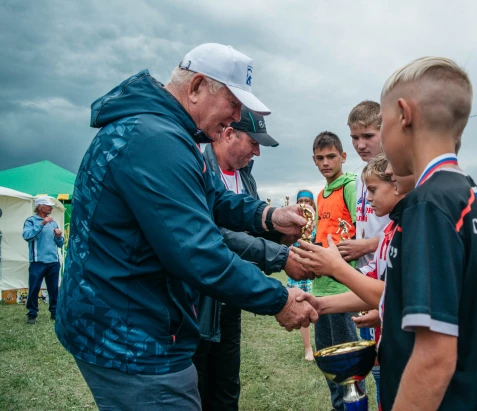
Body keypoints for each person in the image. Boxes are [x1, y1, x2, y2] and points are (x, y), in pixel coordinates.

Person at [55, 43, 317, 410]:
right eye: (233, 102)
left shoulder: (163, 133)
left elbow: (212, 198)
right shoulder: (154, 140)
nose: (237, 114)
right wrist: (278, 298)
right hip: (132, 338)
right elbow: (198, 252)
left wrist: (268, 217)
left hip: (126, 320)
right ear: (195, 87)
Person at [377, 57, 477, 410]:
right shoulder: (465, 189)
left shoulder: (429, 204)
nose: (380, 137)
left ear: (404, 114)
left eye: (381, 122)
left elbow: (434, 360)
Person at [194, 106, 311, 410]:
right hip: (197, 302)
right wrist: (280, 256)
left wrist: (280, 234)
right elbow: (215, 235)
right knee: (196, 387)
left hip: (231, 297)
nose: (257, 152)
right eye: (254, 142)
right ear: (229, 134)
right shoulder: (198, 167)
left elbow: (249, 226)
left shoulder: (246, 179)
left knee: (227, 386)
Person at [338, 101, 390, 405]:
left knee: (387, 366)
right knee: (373, 361)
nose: (360, 144)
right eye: (354, 137)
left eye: (368, 136)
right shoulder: (361, 177)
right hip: (367, 279)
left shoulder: (397, 175)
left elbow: (404, 229)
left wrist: (365, 246)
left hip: (390, 282)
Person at [311, 131, 360, 411]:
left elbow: (362, 231)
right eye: (320, 158)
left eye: (331, 156)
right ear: (314, 161)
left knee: (349, 363)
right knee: (327, 359)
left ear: (343, 156)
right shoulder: (321, 195)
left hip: (344, 288)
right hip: (321, 288)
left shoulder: (350, 186)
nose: (326, 162)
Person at [22, 196, 64, 324]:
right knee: (34, 288)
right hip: (37, 262)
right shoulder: (30, 221)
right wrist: (42, 223)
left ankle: (55, 312)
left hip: (53, 261)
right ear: (40, 206)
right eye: (48, 205)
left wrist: (59, 236)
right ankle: (32, 314)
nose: (51, 207)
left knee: (53, 289)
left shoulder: (54, 222)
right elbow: (27, 236)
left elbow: (60, 244)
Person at [287, 189, 317, 361]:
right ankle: (308, 349)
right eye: (301, 201)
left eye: (308, 201)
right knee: (302, 310)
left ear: (313, 204)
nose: (305, 204)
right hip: (298, 273)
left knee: (319, 307)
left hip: (315, 273)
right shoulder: (292, 227)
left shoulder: (318, 226)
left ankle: (320, 344)